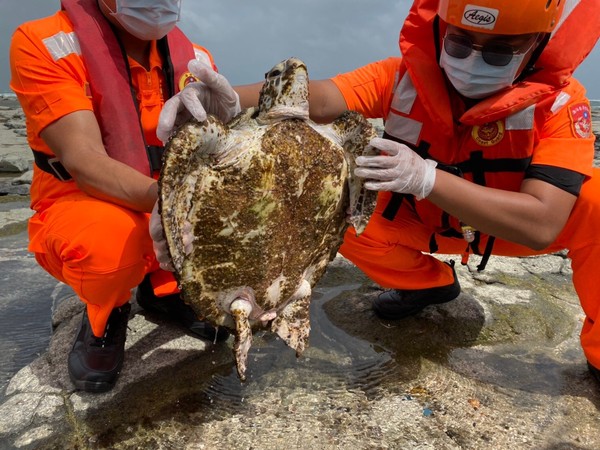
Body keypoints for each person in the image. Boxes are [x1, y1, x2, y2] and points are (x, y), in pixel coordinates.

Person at [158, 0, 600, 383]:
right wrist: (229, 99)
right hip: (421, 221)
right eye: (461, 42)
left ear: (536, 46)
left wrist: (427, 178)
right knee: (339, 206)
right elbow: (325, 96)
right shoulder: (400, 78)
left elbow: (543, 224)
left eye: (501, 49)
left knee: (596, 205)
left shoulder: (562, 106)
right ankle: (429, 285)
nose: (474, 59)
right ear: (440, 29)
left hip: (507, 229)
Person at [9, 0, 240, 393]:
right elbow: (84, 160)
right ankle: (107, 312)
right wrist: (176, 204)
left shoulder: (198, 58)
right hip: (84, 199)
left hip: (165, 197)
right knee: (109, 245)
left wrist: (234, 118)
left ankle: (167, 290)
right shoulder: (44, 41)